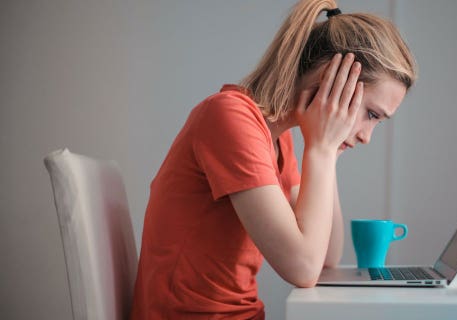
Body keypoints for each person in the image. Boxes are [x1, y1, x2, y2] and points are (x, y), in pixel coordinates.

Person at [130, 0, 416, 319]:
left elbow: (325, 258)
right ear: (330, 79)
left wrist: (328, 152)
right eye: (371, 115)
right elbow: (303, 267)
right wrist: (320, 150)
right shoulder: (229, 117)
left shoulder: (278, 138)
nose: (366, 136)